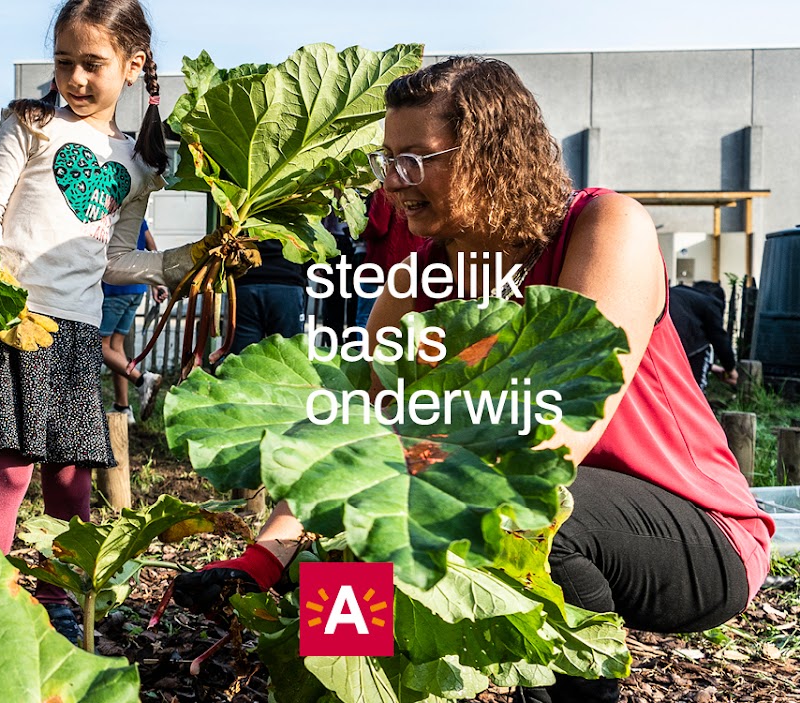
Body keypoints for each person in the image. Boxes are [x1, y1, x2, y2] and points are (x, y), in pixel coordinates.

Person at [176, 57, 773, 703]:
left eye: (415, 158)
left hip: (697, 536)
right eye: (387, 161)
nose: (394, 182)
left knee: (524, 511)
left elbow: (560, 435)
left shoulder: (603, 228)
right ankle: (355, 694)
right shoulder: (417, 279)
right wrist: (268, 555)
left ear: (492, 150)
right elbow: (352, 431)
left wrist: (400, 478)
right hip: (540, 510)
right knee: (351, 542)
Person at [0, 0, 206, 644]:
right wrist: (0, 294)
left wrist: (179, 263)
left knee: (71, 475)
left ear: (133, 67)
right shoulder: (29, 125)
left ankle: (60, 603)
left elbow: (114, 259)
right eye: (63, 62)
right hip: (11, 319)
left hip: (73, 333)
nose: (75, 78)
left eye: (92, 64)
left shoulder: (140, 164)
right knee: (9, 469)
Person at [101, 220, 167, 423]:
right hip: (137, 287)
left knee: (97, 345)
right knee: (115, 346)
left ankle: (141, 379)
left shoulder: (110, 214)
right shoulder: (137, 216)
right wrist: (156, 282)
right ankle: (123, 407)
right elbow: (152, 247)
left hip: (115, 288)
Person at [354, 190, 428, 328]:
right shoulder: (421, 192)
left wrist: (357, 225)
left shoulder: (385, 193)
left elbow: (378, 227)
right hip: (412, 267)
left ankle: (367, 350)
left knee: (366, 319)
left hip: (380, 268)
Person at [230, 236, 311, 353]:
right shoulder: (301, 217)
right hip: (286, 282)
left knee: (244, 355)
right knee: (289, 355)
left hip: (247, 282)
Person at [669, 281, 738, 389]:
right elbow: (719, 338)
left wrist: (710, 367)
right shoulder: (710, 302)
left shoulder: (677, 293)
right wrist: (730, 368)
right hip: (683, 347)